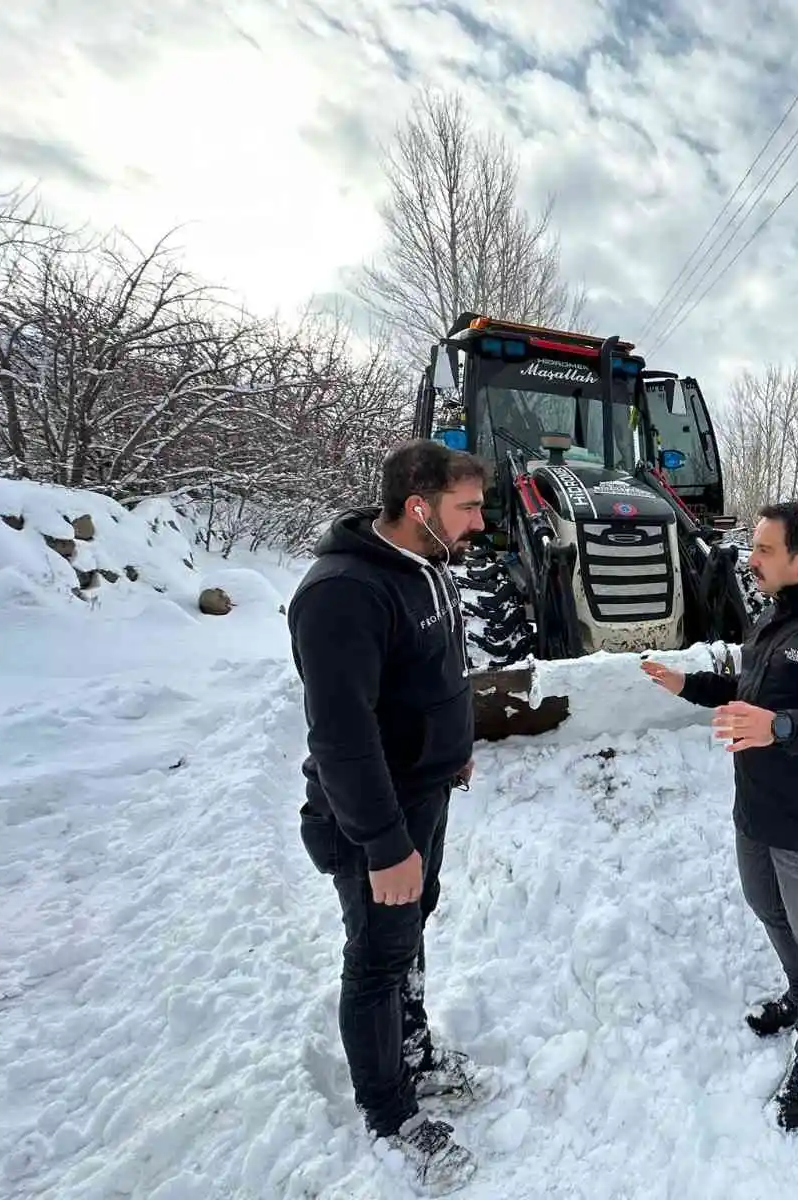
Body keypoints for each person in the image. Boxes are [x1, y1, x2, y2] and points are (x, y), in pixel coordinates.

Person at [640, 501, 798, 1131]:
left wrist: (782, 727)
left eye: (765, 550)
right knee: (764, 905)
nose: (751, 559)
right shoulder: (777, 613)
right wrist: (687, 685)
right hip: (756, 805)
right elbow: (752, 691)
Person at [288, 438, 491, 1193]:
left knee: (409, 932)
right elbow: (342, 735)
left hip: (424, 792)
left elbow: (436, 673)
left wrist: (454, 746)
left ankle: (415, 1055)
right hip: (374, 813)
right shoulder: (342, 593)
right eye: (466, 506)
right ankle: (388, 1109)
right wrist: (382, 845)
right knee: (376, 957)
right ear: (418, 506)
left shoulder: (426, 566)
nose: (478, 521)